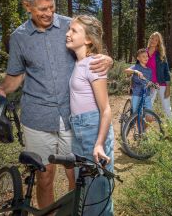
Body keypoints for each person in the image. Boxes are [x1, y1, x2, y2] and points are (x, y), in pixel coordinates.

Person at [0, 0, 112, 209]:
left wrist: (107, 59)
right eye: (42, 9)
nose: (49, 13)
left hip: (72, 119)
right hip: (37, 120)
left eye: (52, 7)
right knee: (44, 177)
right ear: (27, 6)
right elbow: (16, 76)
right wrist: (0, 89)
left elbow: (91, 48)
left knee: (76, 177)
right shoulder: (19, 37)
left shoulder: (70, 27)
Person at [66, 15, 114, 216]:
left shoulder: (94, 63)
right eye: (69, 29)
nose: (68, 33)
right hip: (78, 129)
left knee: (98, 197)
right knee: (84, 193)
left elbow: (106, 109)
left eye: (74, 30)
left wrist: (99, 143)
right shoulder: (78, 62)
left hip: (93, 129)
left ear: (88, 40)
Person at [146, 32, 172, 119]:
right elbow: (139, 67)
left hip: (162, 84)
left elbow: (166, 71)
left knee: (166, 108)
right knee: (147, 107)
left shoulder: (161, 54)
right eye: (152, 38)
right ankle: (144, 130)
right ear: (149, 39)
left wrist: (168, 88)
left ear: (158, 42)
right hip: (149, 84)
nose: (153, 41)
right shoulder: (144, 52)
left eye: (156, 40)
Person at [124, 48, 153, 113]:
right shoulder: (135, 67)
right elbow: (126, 71)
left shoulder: (149, 70)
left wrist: (151, 84)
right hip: (137, 94)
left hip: (146, 95)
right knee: (137, 115)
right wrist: (135, 71)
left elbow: (150, 81)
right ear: (138, 58)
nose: (146, 58)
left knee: (150, 117)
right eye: (143, 56)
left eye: (146, 56)